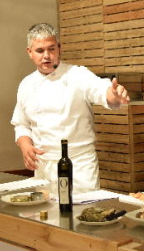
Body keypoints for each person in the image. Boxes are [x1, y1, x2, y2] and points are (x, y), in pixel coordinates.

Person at [11, 23, 130, 196]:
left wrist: (114, 95)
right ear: (29, 52)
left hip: (79, 165)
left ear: (59, 48)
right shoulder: (26, 84)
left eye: (51, 49)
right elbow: (21, 124)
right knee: (46, 218)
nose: (47, 56)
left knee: (81, 217)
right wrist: (25, 145)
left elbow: (102, 91)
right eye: (40, 50)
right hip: (43, 166)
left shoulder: (77, 75)